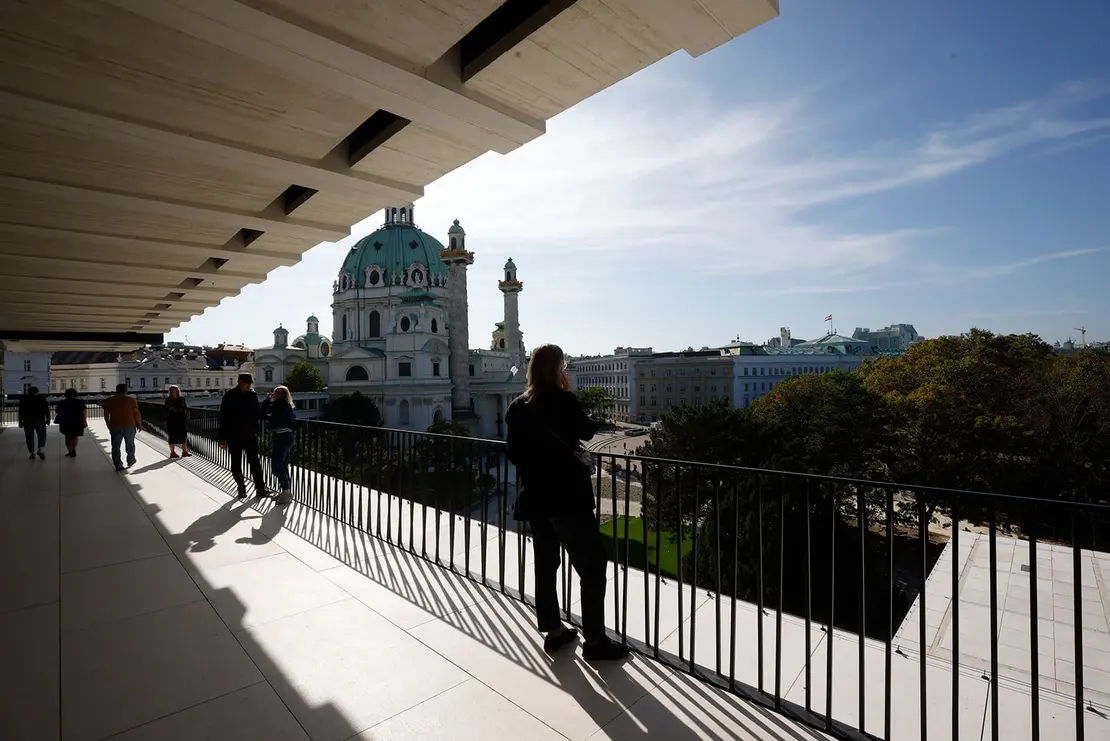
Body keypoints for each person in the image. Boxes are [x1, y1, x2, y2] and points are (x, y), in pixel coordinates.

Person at [505, 343, 630, 661]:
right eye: (562, 366)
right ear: (557, 369)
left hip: (535, 499)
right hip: (567, 500)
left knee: (546, 566)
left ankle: (554, 632)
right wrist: (567, 391)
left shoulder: (518, 407)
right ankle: (596, 642)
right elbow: (587, 432)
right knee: (592, 566)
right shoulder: (564, 401)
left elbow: (514, 454)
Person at [219, 373, 270, 499]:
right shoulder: (229, 396)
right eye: (246, 383)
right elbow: (223, 417)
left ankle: (260, 488)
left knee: (255, 462)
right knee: (236, 463)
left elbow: (257, 412)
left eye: (250, 383)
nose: (248, 385)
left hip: (249, 434)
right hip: (234, 435)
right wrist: (222, 438)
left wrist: (268, 406)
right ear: (239, 382)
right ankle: (241, 488)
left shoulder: (252, 395)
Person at [262, 385, 296, 505]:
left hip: (281, 437)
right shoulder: (288, 406)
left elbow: (263, 413)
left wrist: (267, 400)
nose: (273, 395)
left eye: (274, 393)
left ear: (278, 395)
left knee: (277, 465)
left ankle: (286, 491)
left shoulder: (278, 405)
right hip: (287, 436)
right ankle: (286, 490)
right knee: (283, 464)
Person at [102, 383, 142, 471]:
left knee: (116, 446)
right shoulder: (131, 400)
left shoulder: (109, 400)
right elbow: (136, 413)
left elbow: (106, 415)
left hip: (115, 426)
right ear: (126, 390)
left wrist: (108, 424)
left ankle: (118, 464)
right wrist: (139, 424)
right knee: (130, 444)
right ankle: (131, 460)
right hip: (129, 425)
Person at [17, 386, 50, 460]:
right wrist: (48, 419)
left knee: (29, 436)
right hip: (40, 419)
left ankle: (32, 452)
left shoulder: (24, 399)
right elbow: (46, 410)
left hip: (28, 420)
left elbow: (21, 411)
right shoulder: (42, 399)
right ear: (37, 392)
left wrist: (20, 421)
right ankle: (41, 449)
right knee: (42, 435)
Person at [55, 388, 88, 457]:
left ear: (66, 395)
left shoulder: (62, 402)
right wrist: (84, 420)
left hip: (66, 422)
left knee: (67, 437)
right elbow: (84, 411)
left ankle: (70, 451)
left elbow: (57, 411)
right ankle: (74, 449)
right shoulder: (79, 402)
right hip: (77, 421)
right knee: (75, 436)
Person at [165, 385, 191, 459]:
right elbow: (170, 408)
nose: (173, 391)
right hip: (172, 420)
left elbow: (184, 407)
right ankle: (172, 452)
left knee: (183, 434)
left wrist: (179, 410)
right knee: (172, 435)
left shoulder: (181, 398)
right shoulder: (168, 399)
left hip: (181, 419)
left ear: (177, 391)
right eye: (171, 390)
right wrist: (178, 410)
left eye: (174, 389)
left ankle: (184, 451)